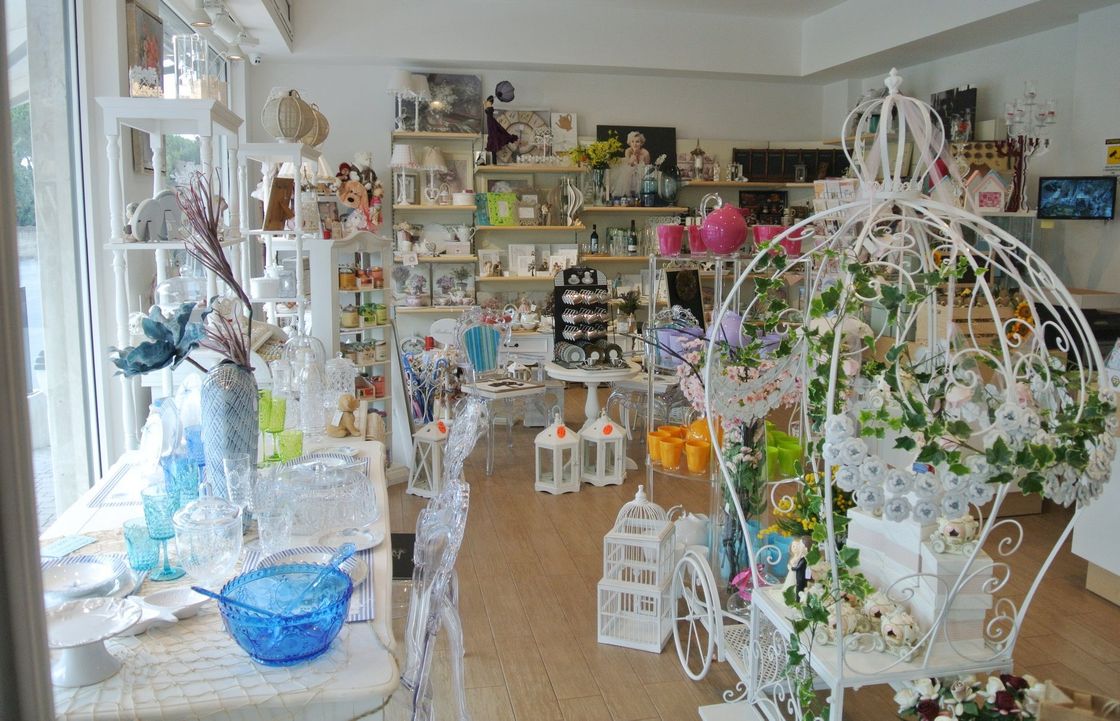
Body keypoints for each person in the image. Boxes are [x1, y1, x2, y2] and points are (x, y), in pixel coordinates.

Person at [613, 130, 651, 198]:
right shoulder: (628, 151)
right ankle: (627, 193)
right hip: (630, 170)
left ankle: (640, 193)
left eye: (637, 142)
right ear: (630, 143)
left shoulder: (645, 153)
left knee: (639, 171)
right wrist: (634, 154)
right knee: (627, 170)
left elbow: (647, 167)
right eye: (632, 142)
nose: (634, 144)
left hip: (642, 172)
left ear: (641, 143)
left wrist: (640, 161)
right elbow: (629, 163)